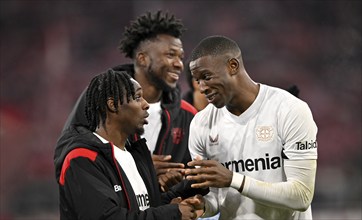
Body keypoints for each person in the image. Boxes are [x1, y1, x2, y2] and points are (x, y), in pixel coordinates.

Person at [57, 11, 197, 192]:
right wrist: (136, 167)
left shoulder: (188, 115)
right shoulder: (102, 98)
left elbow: (195, 179)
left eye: (181, 57)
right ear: (142, 58)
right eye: (171, 55)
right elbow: (67, 159)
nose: (179, 64)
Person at [184, 35, 318, 219]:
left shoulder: (289, 110)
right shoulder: (201, 124)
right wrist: (202, 206)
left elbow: (301, 196)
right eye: (197, 80)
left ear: (233, 66)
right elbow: (215, 197)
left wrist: (234, 179)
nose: (201, 87)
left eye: (206, 76)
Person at [54, 69, 206, 219]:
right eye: (138, 97)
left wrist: (191, 185)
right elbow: (108, 217)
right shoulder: (82, 158)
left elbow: (148, 207)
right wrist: (174, 213)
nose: (146, 104)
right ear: (113, 105)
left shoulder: (134, 154)